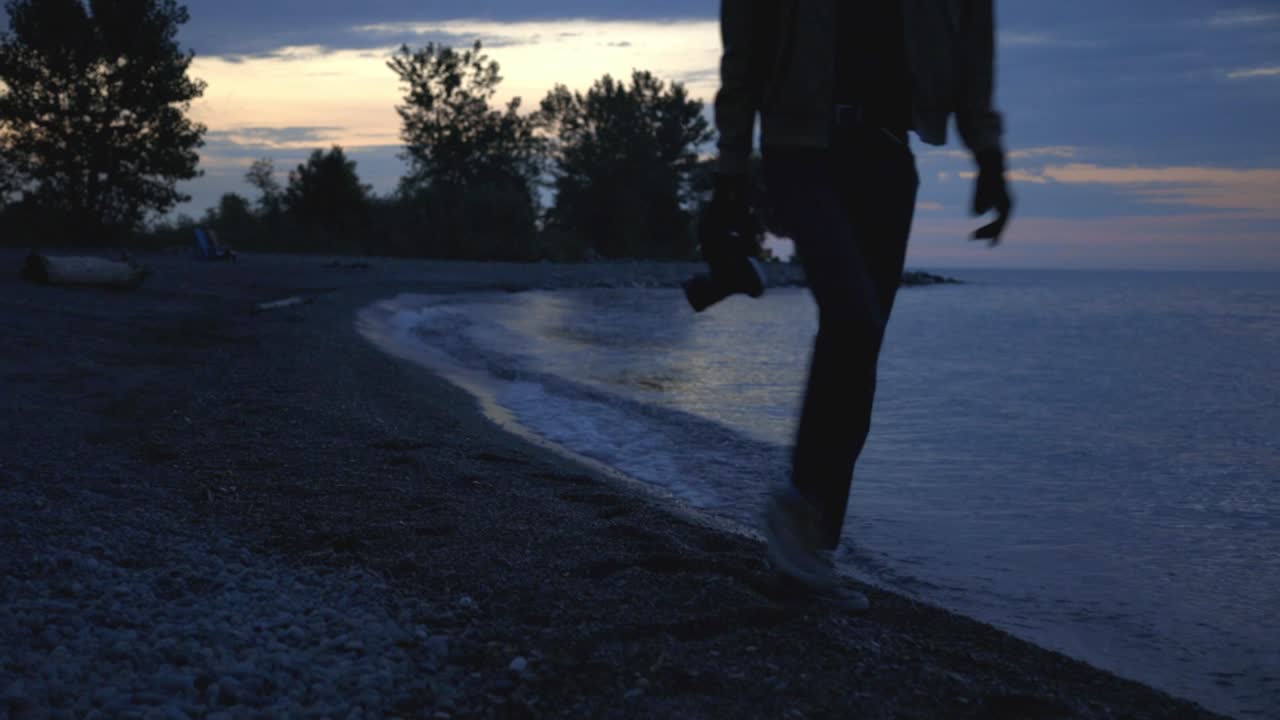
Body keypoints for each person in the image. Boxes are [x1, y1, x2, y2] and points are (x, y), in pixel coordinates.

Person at [702, 0, 1013, 608]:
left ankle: (809, 552)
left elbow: (974, 56)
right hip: (800, 152)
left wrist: (989, 156)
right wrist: (731, 176)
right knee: (853, 317)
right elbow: (743, 58)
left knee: (861, 345)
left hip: (890, 158)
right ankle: (797, 508)